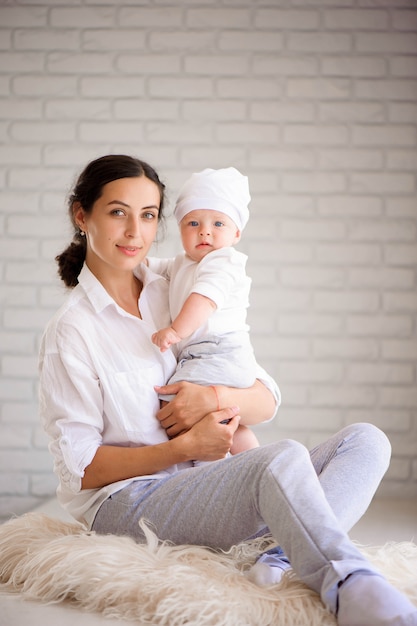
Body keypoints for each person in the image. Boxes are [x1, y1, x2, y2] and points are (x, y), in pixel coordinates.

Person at [39, 154, 417, 626]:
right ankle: (351, 585)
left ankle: (280, 555)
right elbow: (82, 470)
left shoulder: (180, 282)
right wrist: (185, 446)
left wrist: (215, 399)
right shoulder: (71, 331)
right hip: (127, 502)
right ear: (82, 215)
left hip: (207, 480)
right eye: (118, 212)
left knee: (367, 440)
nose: (135, 231)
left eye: (149, 214)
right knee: (277, 460)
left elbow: (264, 397)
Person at [147, 167, 261, 460]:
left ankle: (216, 469)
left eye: (218, 223)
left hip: (217, 352)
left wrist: (175, 331)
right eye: (193, 222)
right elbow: (152, 267)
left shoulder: (222, 261)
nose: (205, 231)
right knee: (227, 420)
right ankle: (258, 462)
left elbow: (205, 298)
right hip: (215, 355)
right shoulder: (183, 262)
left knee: (172, 405)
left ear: (236, 233)